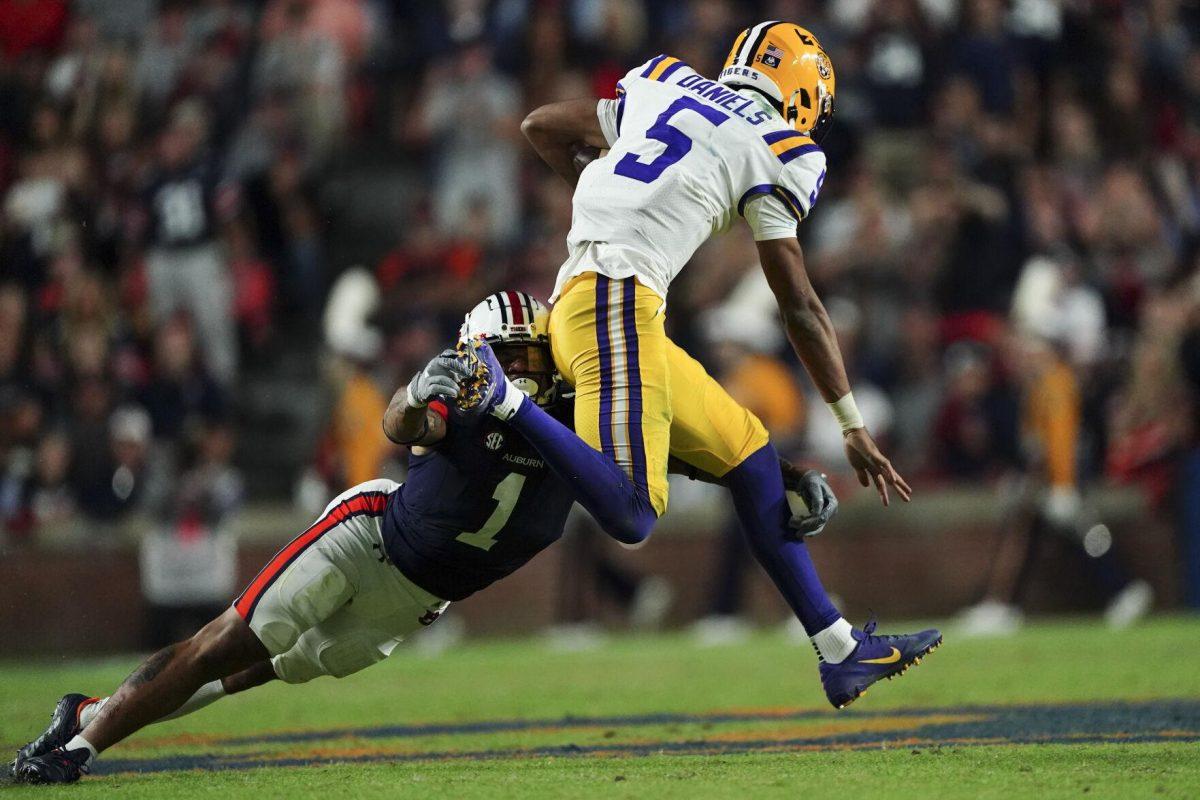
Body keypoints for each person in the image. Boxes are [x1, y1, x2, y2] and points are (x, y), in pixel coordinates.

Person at [10, 291, 834, 784]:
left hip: (416, 602)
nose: (518, 367)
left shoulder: (583, 412)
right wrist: (415, 391)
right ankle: (82, 746)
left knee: (245, 674)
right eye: (502, 355)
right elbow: (402, 422)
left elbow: (669, 461)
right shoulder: (470, 395)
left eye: (523, 352)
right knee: (229, 637)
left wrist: (775, 474)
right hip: (368, 538)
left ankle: (88, 710)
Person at [518, 22, 941, 710]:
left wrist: (603, 197)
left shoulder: (662, 82)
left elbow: (541, 125)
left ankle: (840, 652)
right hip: (615, 303)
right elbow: (799, 304)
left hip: (609, 302)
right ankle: (504, 403)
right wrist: (851, 422)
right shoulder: (781, 147)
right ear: (803, 94)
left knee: (750, 454)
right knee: (631, 512)